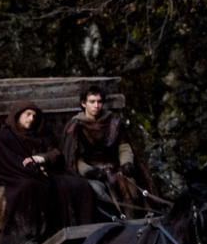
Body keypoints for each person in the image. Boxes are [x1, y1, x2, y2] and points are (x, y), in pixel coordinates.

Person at [0, 101, 97, 244]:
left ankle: (84, 233)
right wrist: (34, 170)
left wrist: (42, 159)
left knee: (79, 185)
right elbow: (8, 163)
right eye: (27, 115)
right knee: (29, 188)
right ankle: (30, 238)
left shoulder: (40, 134)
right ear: (18, 116)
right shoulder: (5, 138)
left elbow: (55, 153)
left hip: (46, 173)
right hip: (15, 177)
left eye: (34, 115)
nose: (31, 119)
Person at [62, 84, 153, 216]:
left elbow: (123, 146)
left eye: (99, 101)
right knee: (99, 193)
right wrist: (89, 171)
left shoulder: (112, 121)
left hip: (115, 167)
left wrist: (126, 163)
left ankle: (134, 219)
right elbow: (74, 158)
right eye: (92, 102)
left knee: (131, 187)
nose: (96, 105)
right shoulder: (76, 126)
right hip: (92, 171)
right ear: (83, 103)